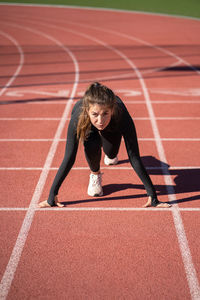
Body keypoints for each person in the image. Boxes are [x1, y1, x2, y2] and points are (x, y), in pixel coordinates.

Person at [38, 82, 171, 208]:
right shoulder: (78, 117)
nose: (100, 121)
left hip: (113, 127)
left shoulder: (122, 115)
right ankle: (95, 174)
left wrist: (153, 197)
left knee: (111, 153)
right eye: (95, 114)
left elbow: (134, 156)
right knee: (92, 144)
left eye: (105, 114)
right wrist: (52, 196)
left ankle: (111, 155)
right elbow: (69, 157)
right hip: (89, 128)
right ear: (87, 110)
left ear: (112, 110)